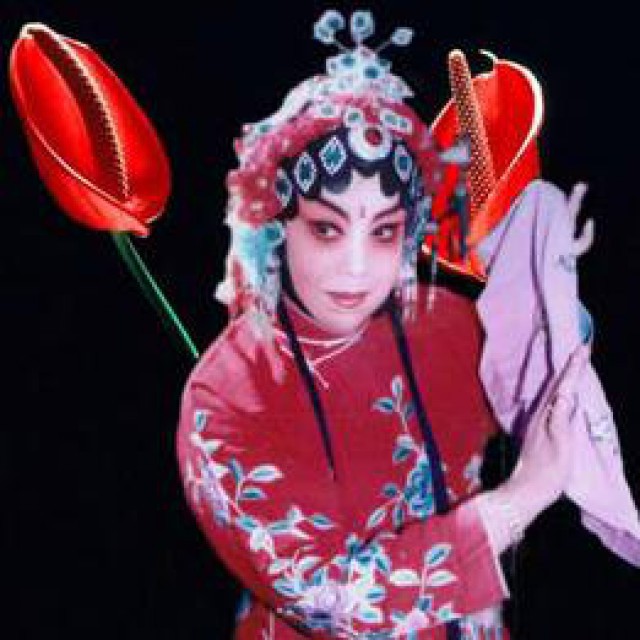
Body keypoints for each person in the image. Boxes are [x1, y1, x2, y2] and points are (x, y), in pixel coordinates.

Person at [175, 10, 590, 640]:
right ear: (277, 223)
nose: (356, 268)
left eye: (385, 231)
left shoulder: (448, 323)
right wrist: (517, 501)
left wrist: (546, 280)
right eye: (326, 228)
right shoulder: (229, 393)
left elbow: (552, 392)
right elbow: (330, 599)